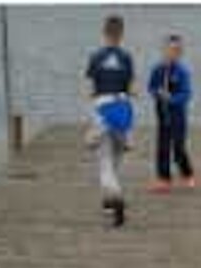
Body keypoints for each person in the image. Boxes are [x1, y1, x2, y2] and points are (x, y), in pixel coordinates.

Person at [84, 15, 136, 227]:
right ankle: (107, 202)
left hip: (103, 109)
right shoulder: (126, 57)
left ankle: (116, 198)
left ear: (104, 33)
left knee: (105, 162)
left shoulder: (95, 57)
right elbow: (131, 89)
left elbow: (90, 89)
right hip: (123, 108)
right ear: (121, 34)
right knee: (116, 159)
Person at [148, 34, 195, 192]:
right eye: (170, 49)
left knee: (179, 148)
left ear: (180, 53)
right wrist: (157, 93)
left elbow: (187, 94)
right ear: (163, 51)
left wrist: (172, 98)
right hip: (162, 114)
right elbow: (151, 87)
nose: (172, 53)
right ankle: (163, 179)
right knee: (162, 147)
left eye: (176, 50)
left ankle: (187, 174)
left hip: (178, 116)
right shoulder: (158, 69)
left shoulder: (182, 72)